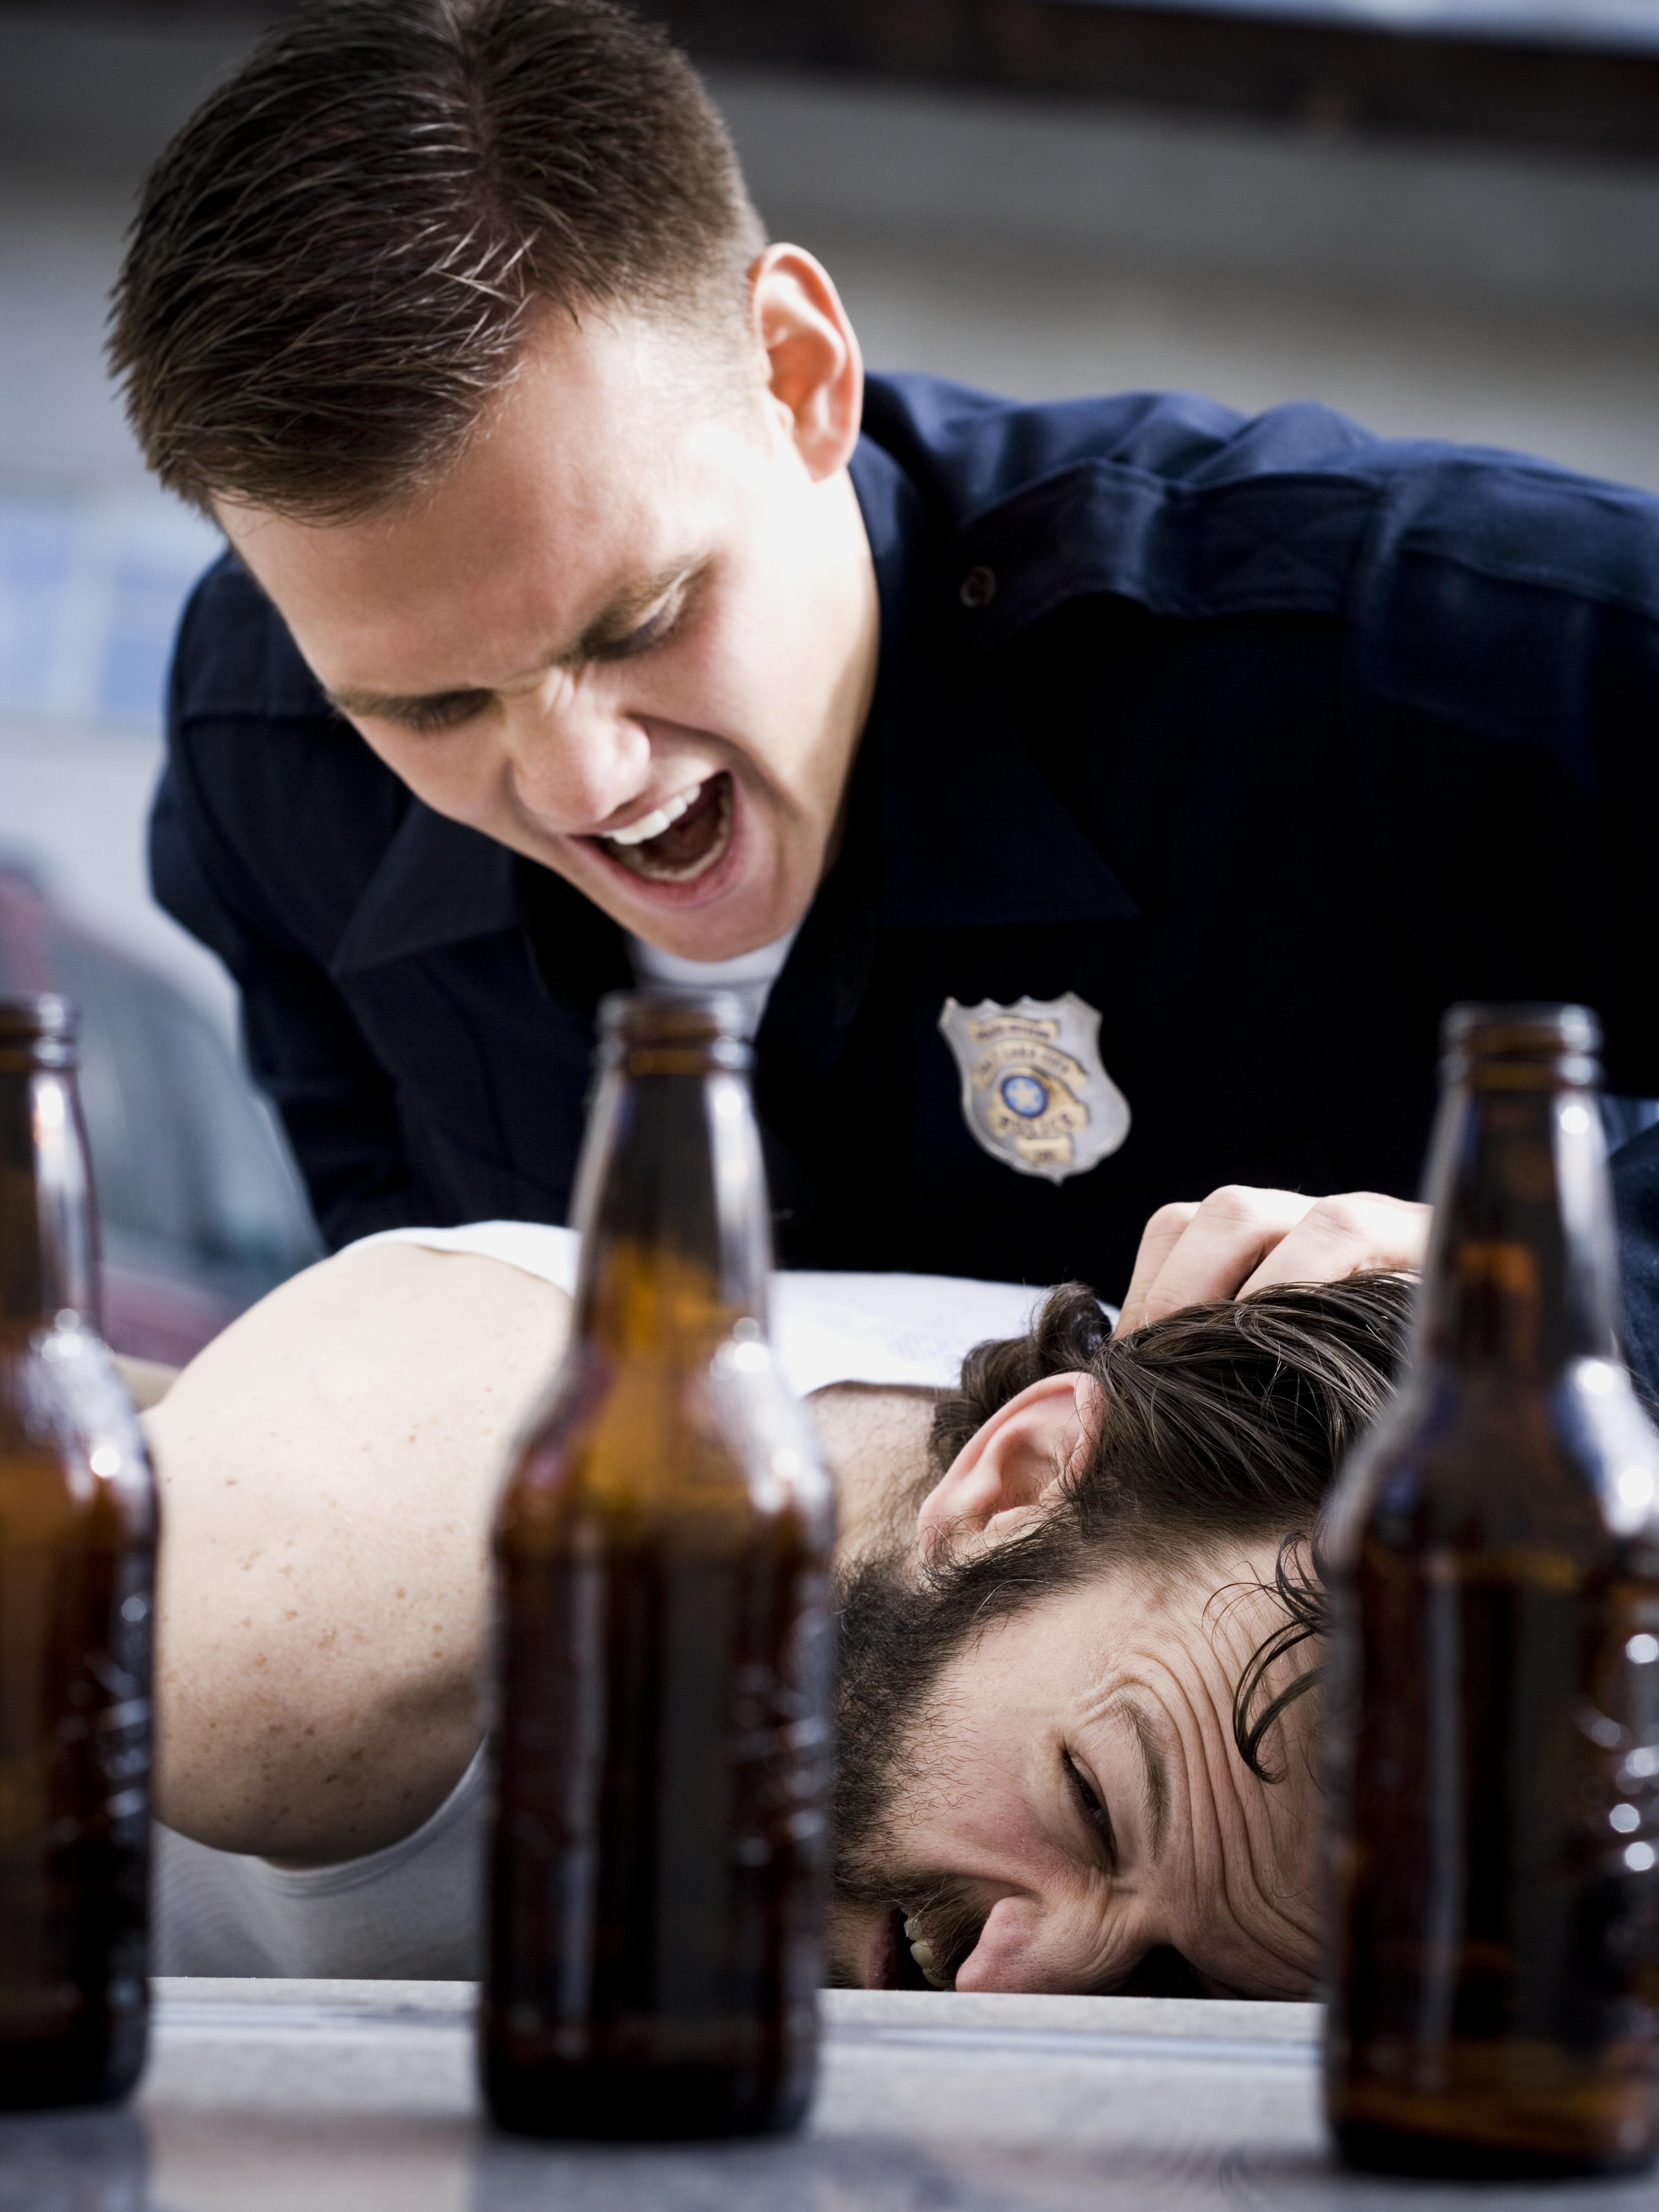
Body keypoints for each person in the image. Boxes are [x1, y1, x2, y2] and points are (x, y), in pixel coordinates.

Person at [109, 0, 1659, 1312]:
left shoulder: (1357, 637)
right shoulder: (272, 753)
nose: (586, 775)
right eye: (437, 706)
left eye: (639, 620)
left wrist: (1570, 1299)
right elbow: (422, 1338)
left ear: (801, 376)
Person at [137, 1186, 1426, 1984]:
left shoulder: (1146, 1567)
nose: (1015, 1988)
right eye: (1088, 1802)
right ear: (1011, 1484)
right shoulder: (334, 1605)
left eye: (1169, 1979)